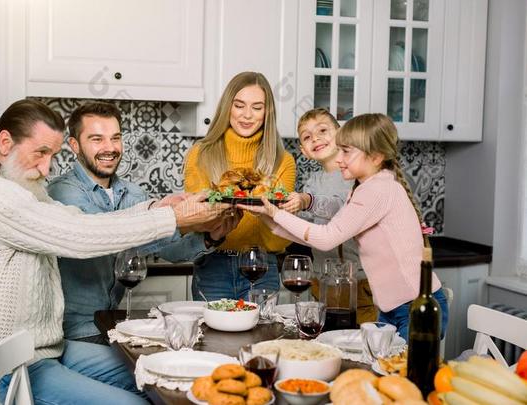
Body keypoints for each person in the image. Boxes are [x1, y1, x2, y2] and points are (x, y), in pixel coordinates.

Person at [0, 99, 226, 405]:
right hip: (4, 371)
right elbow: (78, 236)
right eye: (40, 153)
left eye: (52, 156)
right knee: (137, 401)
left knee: (158, 375)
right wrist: (174, 218)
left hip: (39, 351)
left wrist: (158, 208)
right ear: (5, 142)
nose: (46, 168)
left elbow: (79, 221)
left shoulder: (17, 188)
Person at [239, 113, 448, 341]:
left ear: (376, 157)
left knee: (408, 375)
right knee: (383, 372)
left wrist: (276, 214)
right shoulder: (367, 186)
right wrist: (269, 218)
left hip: (415, 308)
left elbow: (328, 237)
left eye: (346, 151)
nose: (339, 159)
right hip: (394, 308)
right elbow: (323, 232)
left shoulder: (376, 191)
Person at [47, 101, 240, 343]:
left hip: (113, 322)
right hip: (76, 331)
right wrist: (175, 218)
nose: (110, 148)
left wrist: (210, 234)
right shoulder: (62, 193)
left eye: (115, 138)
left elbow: (169, 249)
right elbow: (100, 237)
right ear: (74, 145)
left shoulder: (133, 194)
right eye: (97, 139)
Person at [184, 71, 296, 301]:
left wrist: (266, 211)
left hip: (262, 267)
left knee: (263, 336)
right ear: (228, 108)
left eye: (257, 107)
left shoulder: (282, 161)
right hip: (213, 267)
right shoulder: (201, 154)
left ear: (267, 113)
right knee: (212, 337)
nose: (247, 115)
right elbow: (195, 223)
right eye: (239, 105)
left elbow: (280, 238)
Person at [280, 108, 375, 324]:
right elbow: (307, 228)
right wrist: (276, 212)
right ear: (304, 150)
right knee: (327, 342)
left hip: (360, 284)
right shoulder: (312, 181)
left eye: (322, 130)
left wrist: (307, 200)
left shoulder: (358, 175)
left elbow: (342, 211)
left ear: (341, 134)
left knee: (361, 345)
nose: (316, 138)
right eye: (307, 137)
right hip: (321, 282)